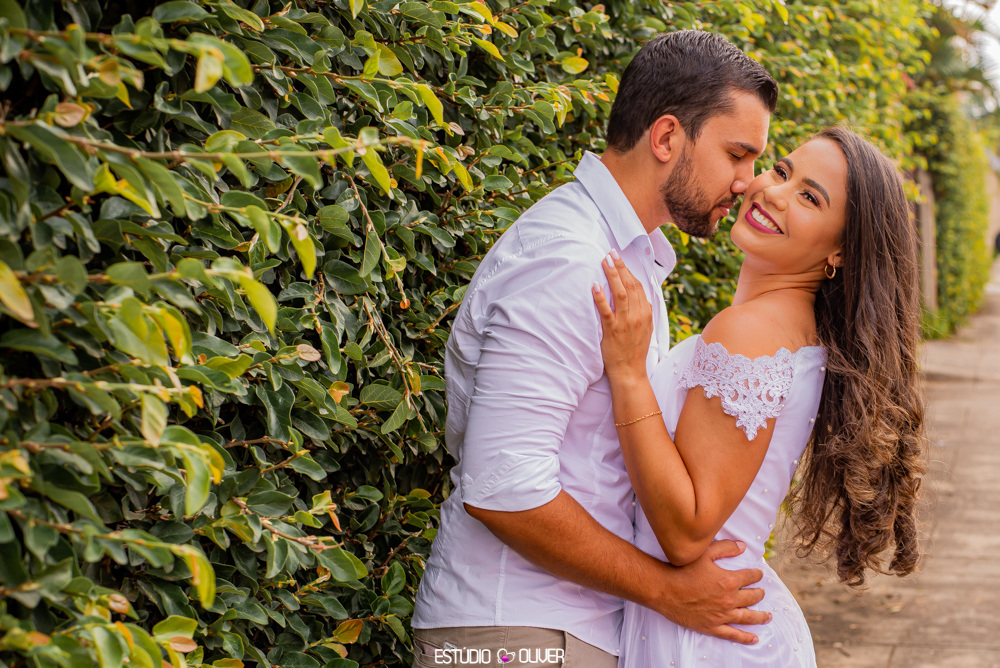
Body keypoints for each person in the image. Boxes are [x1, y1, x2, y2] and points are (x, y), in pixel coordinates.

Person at [411, 30, 779, 667]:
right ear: (666, 138)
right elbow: (503, 488)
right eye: (737, 154)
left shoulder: (624, 258)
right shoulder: (568, 261)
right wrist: (669, 592)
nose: (747, 182)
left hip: (558, 632)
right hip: (514, 634)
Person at [592, 127, 926, 666]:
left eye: (810, 197)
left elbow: (685, 533)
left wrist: (629, 373)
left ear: (840, 249)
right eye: (783, 170)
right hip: (717, 619)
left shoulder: (750, 333)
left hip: (707, 635)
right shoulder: (794, 331)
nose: (773, 191)